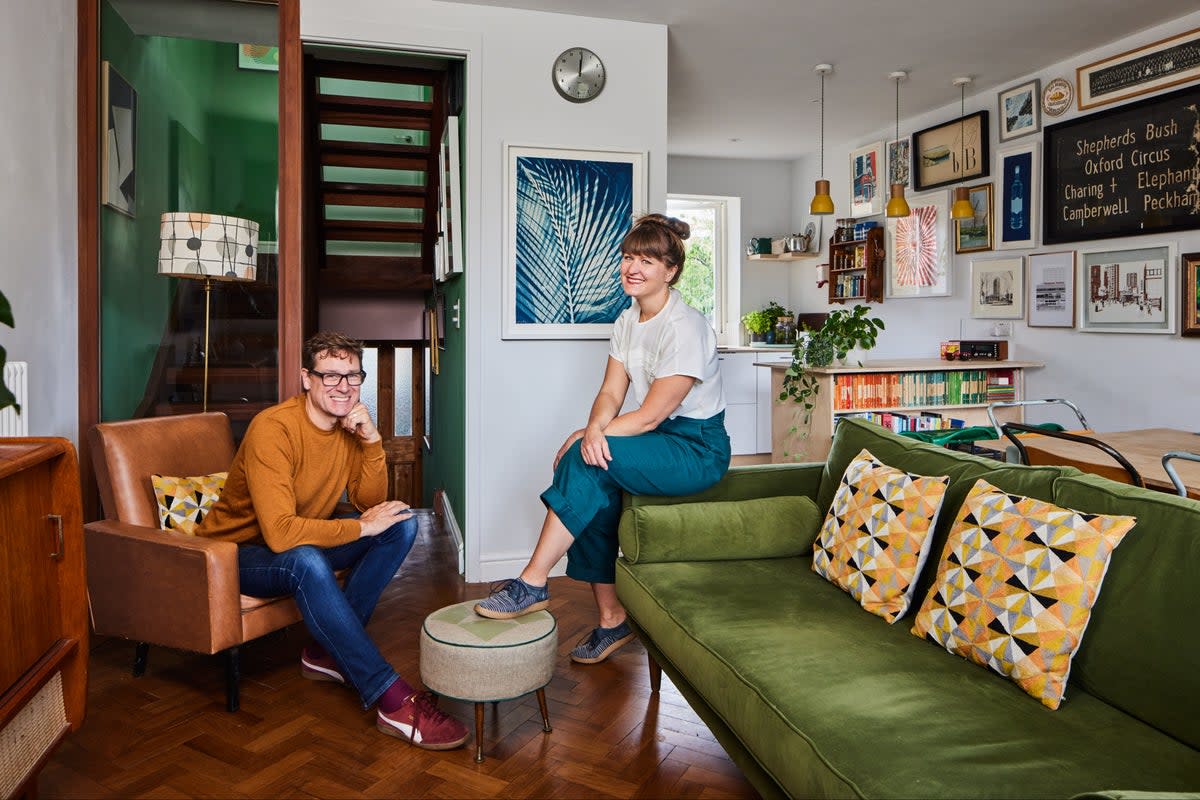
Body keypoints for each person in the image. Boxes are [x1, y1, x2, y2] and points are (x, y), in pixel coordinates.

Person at [474, 214, 731, 663]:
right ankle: (611, 621)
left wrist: (585, 437)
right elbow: (611, 391)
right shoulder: (628, 319)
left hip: (695, 447)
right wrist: (591, 428)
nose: (632, 267)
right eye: (628, 257)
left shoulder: (685, 325)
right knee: (593, 485)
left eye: (646, 260)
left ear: (670, 271)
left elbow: (651, 415)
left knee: (584, 458)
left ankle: (533, 582)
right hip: (656, 437)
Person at [196, 331, 469, 751]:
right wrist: (360, 528)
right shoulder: (273, 428)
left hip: (295, 544)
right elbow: (281, 533)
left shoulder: (348, 426)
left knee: (401, 523)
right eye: (330, 376)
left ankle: (325, 654)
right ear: (306, 378)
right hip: (233, 555)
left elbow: (370, 500)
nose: (344, 386)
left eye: (353, 376)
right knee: (306, 560)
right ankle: (390, 698)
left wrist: (372, 441)